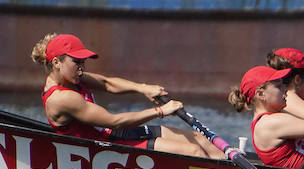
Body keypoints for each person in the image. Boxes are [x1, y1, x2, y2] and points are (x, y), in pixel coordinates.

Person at [32, 32, 223, 159]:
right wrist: (161, 111)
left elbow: (107, 83)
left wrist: (144, 88)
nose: (82, 68)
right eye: (77, 62)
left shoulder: (72, 76)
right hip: (104, 150)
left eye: (83, 62)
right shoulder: (61, 98)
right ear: (57, 62)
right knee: (193, 151)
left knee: (199, 140)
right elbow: (114, 121)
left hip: (113, 135)